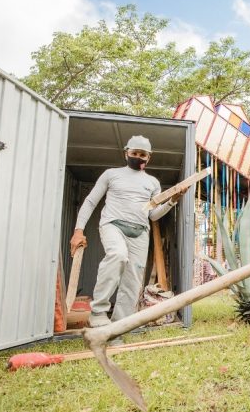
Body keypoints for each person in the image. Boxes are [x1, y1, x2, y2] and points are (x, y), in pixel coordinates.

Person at [70, 136, 188, 328]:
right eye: (134, 153)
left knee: (132, 280)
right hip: (113, 224)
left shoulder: (152, 182)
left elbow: (154, 216)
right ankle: (98, 311)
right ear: (126, 153)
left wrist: (172, 200)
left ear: (149, 157)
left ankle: (120, 325)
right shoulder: (111, 174)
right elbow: (91, 201)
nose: (138, 157)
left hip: (140, 232)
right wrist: (78, 230)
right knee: (117, 255)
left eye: (142, 155)